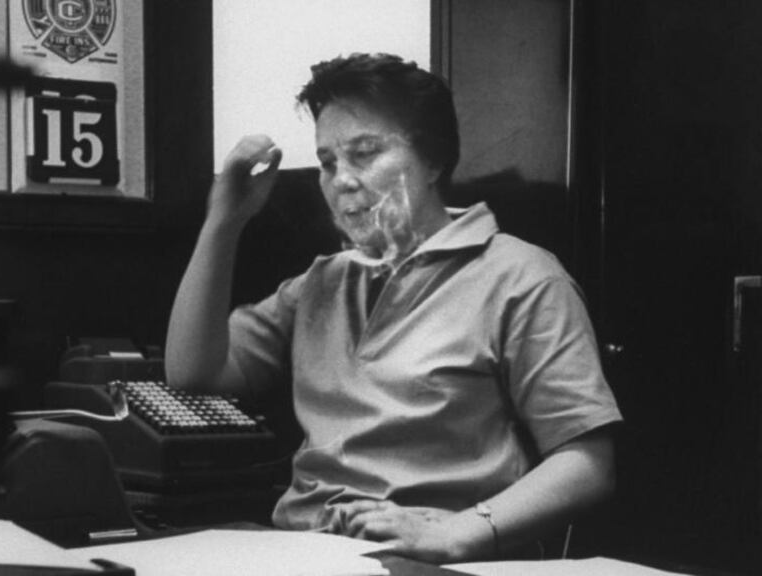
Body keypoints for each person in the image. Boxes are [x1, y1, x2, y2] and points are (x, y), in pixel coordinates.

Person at [164, 53, 622, 564]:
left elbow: (587, 462)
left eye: (364, 154)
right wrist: (223, 222)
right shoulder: (322, 281)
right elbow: (192, 370)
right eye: (328, 162)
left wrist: (463, 532)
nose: (341, 180)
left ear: (432, 161)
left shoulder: (521, 277)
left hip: (435, 558)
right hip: (304, 551)